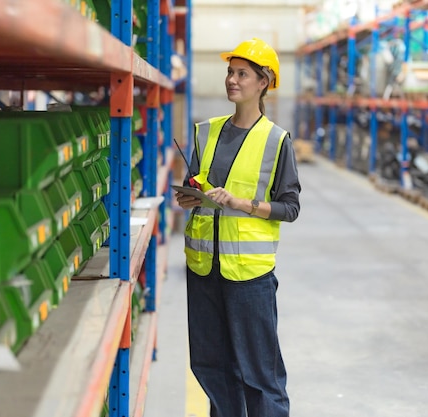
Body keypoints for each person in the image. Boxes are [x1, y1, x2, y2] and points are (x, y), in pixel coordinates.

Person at [175, 38, 301, 417]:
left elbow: (290, 207)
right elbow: (192, 187)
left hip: (249, 276)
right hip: (203, 269)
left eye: (242, 73)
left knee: (260, 376)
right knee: (211, 368)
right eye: (230, 72)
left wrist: (241, 203)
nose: (232, 79)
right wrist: (190, 198)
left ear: (263, 82)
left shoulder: (277, 141)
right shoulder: (205, 132)